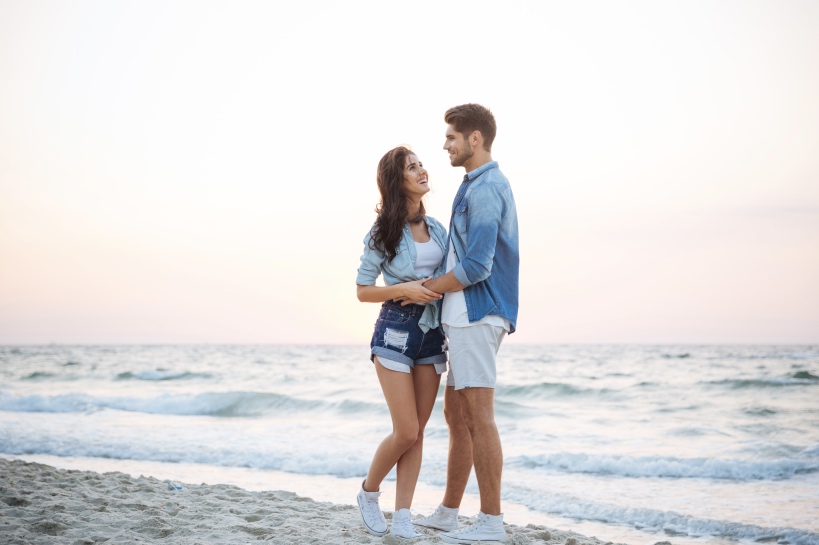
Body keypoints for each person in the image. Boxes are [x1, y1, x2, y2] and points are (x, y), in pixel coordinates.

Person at [412, 104, 519, 544]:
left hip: (478, 312)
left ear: (475, 138)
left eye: (452, 137)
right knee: (456, 414)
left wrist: (428, 287)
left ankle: (491, 522)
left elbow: (476, 265)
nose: (445, 145)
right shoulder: (472, 184)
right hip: (462, 316)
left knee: (478, 416)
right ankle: (449, 512)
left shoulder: (488, 187)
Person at [355, 146, 449, 539]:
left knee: (419, 433)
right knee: (406, 430)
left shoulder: (440, 230)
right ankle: (368, 493)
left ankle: (405, 514)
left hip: (432, 333)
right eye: (412, 168)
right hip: (394, 330)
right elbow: (362, 290)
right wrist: (403, 288)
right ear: (399, 182)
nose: (422, 170)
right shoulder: (383, 233)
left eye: (420, 164)